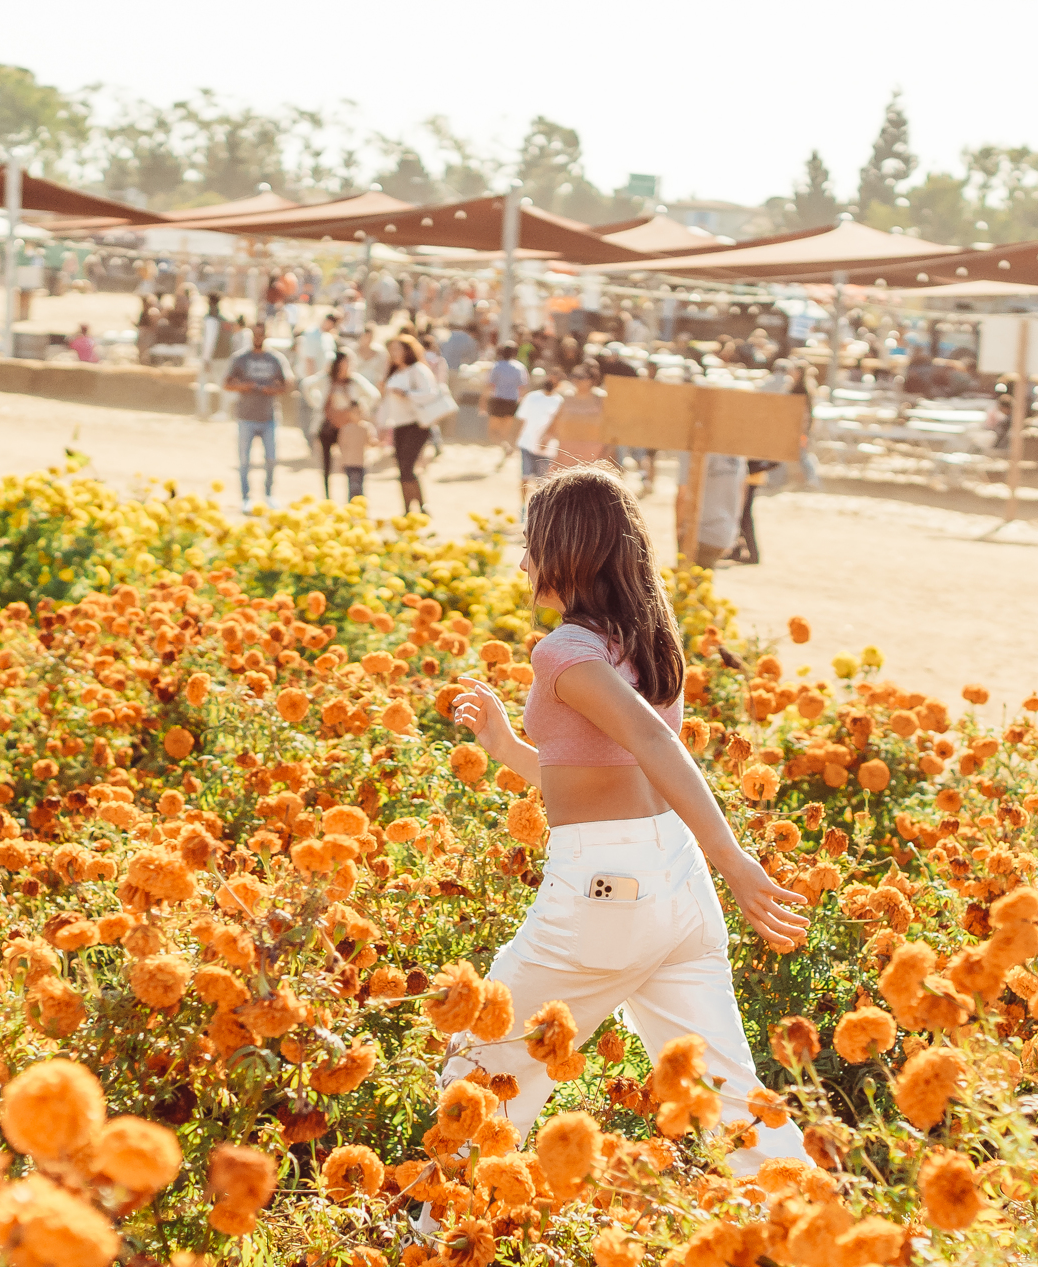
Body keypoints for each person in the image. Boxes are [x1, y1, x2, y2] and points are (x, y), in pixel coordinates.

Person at [440, 466, 808, 1169]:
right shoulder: (640, 642)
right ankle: (826, 1241)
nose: (523, 563)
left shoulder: (562, 650)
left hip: (604, 897)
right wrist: (507, 748)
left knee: (481, 1067)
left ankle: (431, 1247)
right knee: (733, 1104)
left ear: (567, 549)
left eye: (532, 544)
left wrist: (738, 861)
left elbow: (649, 742)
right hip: (676, 890)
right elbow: (611, 784)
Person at [222, 321, 294, 511]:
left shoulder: (275, 359)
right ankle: (246, 497)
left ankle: (269, 494)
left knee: (270, 459)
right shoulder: (240, 358)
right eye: (255, 334)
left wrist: (272, 389)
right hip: (246, 415)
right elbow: (227, 383)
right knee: (244, 460)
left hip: (268, 416)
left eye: (261, 334)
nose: (258, 338)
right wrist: (244, 386)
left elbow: (288, 384)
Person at [377, 336, 441, 515]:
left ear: (408, 350)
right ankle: (408, 509)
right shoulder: (394, 372)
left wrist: (407, 393)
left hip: (417, 424)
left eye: (397, 349)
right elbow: (386, 402)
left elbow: (430, 393)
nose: (394, 353)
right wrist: (381, 425)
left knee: (408, 467)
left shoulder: (418, 370)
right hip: (398, 425)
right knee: (402, 468)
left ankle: (419, 507)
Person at [305, 350, 379, 504]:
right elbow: (306, 385)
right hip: (328, 425)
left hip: (347, 427)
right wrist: (317, 403)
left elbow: (374, 395)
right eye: (344, 363)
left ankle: (353, 500)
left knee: (351, 463)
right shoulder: (326, 379)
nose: (347, 366)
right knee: (326, 464)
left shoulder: (354, 380)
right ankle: (327, 499)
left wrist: (359, 411)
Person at [514, 369, 562, 507]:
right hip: (527, 442)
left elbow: (558, 424)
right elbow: (521, 419)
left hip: (546, 447)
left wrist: (546, 439)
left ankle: (538, 508)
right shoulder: (531, 397)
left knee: (542, 481)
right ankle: (523, 506)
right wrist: (515, 439)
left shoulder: (559, 401)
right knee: (525, 477)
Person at [485, 346, 527, 451]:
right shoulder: (520, 367)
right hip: (512, 401)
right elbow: (523, 387)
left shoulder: (497, 366)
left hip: (498, 400)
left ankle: (504, 446)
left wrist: (484, 402)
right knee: (506, 430)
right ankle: (506, 446)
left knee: (493, 431)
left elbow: (489, 385)